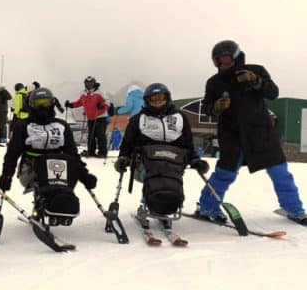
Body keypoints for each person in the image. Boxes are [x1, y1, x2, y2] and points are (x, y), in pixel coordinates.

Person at [196, 40, 305, 223]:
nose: (222, 64)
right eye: (217, 61)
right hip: (231, 135)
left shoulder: (256, 70)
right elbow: (206, 108)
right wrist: (215, 107)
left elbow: (273, 93)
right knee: (225, 174)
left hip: (261, 132)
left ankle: (294, 209)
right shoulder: (214, 82)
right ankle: (208, 207)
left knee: (280, 172)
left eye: (225, 59)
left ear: (236, 56)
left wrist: (256, 81)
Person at [0, 87, 97, 227]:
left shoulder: (61, 126)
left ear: (52, 104)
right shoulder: (24, 126)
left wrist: (85, 176)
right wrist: (6, 176)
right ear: (31, 105)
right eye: (38, 104)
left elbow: (73, 155)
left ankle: (62, 203)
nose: (42, 108)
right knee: (45, 169)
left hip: (58, 169)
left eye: (45, 103)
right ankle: (41, 204)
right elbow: (12, 154)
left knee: (66, 164)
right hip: (31, 169)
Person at [115, 83, 208, 230]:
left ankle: (169, 203)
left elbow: (188, 143)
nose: (158, 101)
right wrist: (123, 157)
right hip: (145, 161)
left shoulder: (179, 118)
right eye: (154, 99)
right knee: (153, 174)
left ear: (167, 98)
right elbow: (127, 143)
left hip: (173, 161)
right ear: (147, 100)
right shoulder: (139, 119)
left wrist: (194, 159)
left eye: (161, 98)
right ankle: (149, 202)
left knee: (171, 176)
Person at [65, 76, 109, 158]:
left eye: (91, 83)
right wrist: (71, 105)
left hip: (100, 117)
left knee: (100, 135)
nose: (89, 85)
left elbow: (107, 102)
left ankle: (102, 152)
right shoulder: (84, 93)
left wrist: (102, 105)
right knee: (91, 135)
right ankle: (91, 151)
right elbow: (79, 102)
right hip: (90, 118)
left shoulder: (99, 92)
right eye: (87, 83)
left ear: (94, 83)